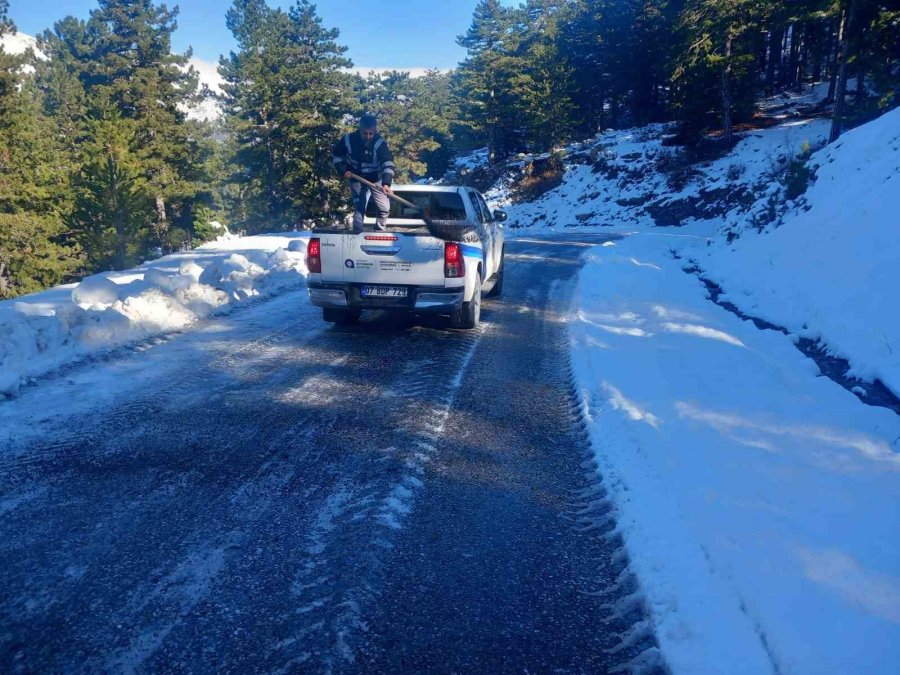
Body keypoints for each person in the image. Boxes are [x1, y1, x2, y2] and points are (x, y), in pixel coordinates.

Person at [332, 113, 396, 232]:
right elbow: (337, 156)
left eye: (371, 133)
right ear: (359, 130)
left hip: (376, 178)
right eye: (364, 133)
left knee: (384, 208)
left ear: (375, 131)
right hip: (356, 177)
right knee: (359, 207)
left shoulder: (380, 143)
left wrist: (386, 183)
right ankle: (357, 234)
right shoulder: (348, 140)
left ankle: (379, 231)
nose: (367, 136)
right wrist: (343, 170)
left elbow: (388, 163)